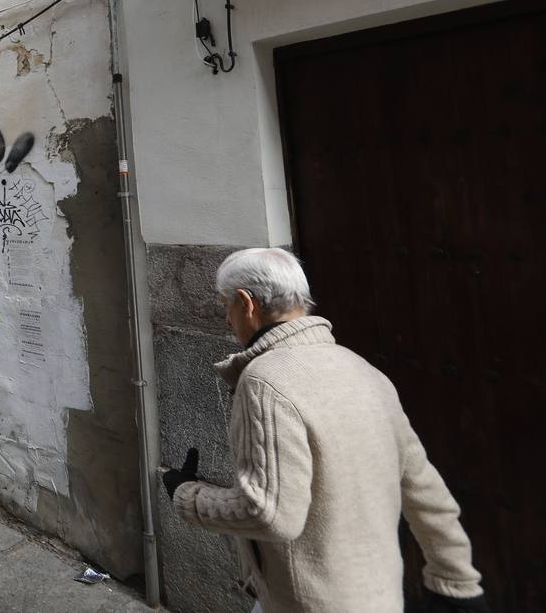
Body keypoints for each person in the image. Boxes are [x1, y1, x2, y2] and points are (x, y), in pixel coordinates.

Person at [159, 248, 487, 613]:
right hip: (378, 598)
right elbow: (423, 486)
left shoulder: (265, 382)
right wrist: (456, 578)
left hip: (309, 602)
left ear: (246, 303)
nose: (227, 319)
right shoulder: (364, 371)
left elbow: (268, 512)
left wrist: (185, 494)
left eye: (226, 306)